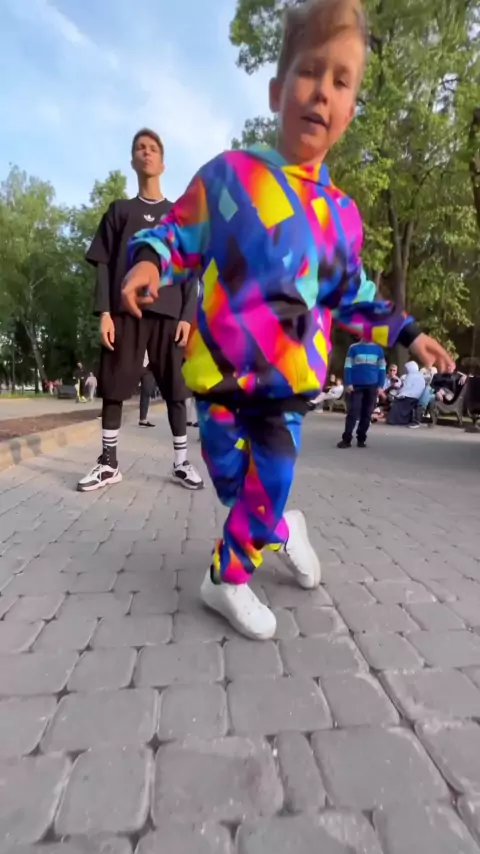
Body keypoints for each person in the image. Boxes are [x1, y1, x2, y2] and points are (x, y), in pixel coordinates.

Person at [121, 0, 453, 639]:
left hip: (287, 384)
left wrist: (408, 332)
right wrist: (148, 260)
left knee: (268, 479)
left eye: (341, 81)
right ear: (277, 92)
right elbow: (179, 231)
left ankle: (225, 577)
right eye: (309, 72)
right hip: (217, 374)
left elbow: (352, 292)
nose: (322, 91)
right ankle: (284, 527)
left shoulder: (340, 215)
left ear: (349, 112)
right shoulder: (229, 176)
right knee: (233, 486)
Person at [77, 129, 203, 493]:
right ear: (133, 161)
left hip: (169, 313)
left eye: (152, 149)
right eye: (139, 148)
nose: (146, 153)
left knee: (176, 388)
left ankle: (181, 462)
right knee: (114, 384)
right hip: (125, 313)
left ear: (162, 162)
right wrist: (104, 312)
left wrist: (187, 316)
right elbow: (103, 264)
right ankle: (108, 463)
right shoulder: (119, 211)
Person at [337, 338, 386, 448]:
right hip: (356, 385)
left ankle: (361, 438)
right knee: (353, 412)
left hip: (372, 385)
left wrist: (380, 385)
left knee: (367, 413)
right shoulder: (353, 348)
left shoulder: (378, 349)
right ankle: (346, 439)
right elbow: (347, 366)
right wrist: (348, 382)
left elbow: (382, 368)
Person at [387, 361, 426, 427]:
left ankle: (395, 420)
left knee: (396, 402)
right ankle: (403, 420)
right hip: (415, 396)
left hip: (410, 396)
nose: (406, 370)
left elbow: (406, 388)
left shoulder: (411, 376)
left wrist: (399, 393)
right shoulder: (419, 376)